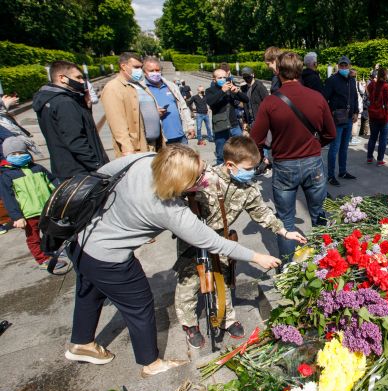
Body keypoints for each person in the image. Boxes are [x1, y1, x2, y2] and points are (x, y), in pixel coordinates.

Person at [66, 145, 280, 376]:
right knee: (140, 305)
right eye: (198, 176)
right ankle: (151, 363)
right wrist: (256, 256)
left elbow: (103, 174)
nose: (205, 175)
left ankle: (82, 343)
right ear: (182, 184)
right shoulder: (169, 210)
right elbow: (214, 242)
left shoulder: (145, 160)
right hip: (109, 257)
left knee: (90, 289)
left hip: (81, 238)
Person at [174, 138, 307, 347]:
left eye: (254, 168)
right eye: (248, 168)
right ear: (230, 165)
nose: (252, 172)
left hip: (222, 238)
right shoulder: (204, 178)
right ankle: (189, 324)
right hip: (194, 236)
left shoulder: (248, 189)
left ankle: (227, 318)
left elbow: (262, 213)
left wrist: (284, 231)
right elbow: (175, 193)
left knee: (225, 277)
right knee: (189, 280)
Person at [250, 52, 336, 260]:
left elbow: (256, 139)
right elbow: (330, 133)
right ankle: (326, 260)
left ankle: (289, 265)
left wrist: (261, 158)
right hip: (313, 163)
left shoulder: (271, 102)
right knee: (319, 213)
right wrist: (316, 145)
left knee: (286, 220)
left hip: (284, 164)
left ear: (278, 71)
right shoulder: (317, 98)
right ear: (300, 70)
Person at [0, 137, 69, 271]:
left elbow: (53, 182)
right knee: (33, 238)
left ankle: (54, 249)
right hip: (28, 214)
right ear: (7, 155)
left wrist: (61, 195)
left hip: (46, 209)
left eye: (21, 152)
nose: (19, 156)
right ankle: (42, 259)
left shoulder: (37, 168)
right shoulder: (7, 175)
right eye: (14, 154)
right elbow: (9, 199)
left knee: (52, 232)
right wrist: (17, 217)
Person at [32, 61, 109, 180]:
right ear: (62, 78)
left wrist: (86, 107)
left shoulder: (49, 99)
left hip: (65, 169)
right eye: (78, 77)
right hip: (81, 171)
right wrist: (97, 165)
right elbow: (76, 140)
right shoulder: (65, 103)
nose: (82, 82)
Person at [102, 52, 164, 157]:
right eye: (136, 67)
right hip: (137, 148)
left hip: (154, 145)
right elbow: (117, 122)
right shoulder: (113, 88)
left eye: (141, 67)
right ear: (123, 66)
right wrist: (127, 148)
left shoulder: (139, 85)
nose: (139, 70)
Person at [323, 56, 359, 186]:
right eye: (341, 66)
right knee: (334, 148)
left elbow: (354, 97)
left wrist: (356, 112)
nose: (344, 68)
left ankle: (342, 171)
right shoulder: (332, 80)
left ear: (349, 66)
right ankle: (331, 175)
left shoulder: (352, 80)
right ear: (338, 66)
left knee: (344, 147)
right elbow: (323, 99)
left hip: (349, 117)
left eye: (346, 66)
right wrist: (330, 113)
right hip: (337, 119)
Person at [143, 57, 195, 145]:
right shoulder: (142, 89)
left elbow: (183, 106)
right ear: (144, 72)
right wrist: (154, 114)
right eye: (151, 71)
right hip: (160, 139)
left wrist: (190, 126)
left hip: (180, 136)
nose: (155, 73)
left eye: (157, 70)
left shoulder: (171, 86)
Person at [205, 69, 249, 164]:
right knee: (221, 153)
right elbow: (210, 102)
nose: (222, 79)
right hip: (220, 126)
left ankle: (237, 171)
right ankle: (221, 173)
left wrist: (237, 92)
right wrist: (222, 91)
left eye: (224, 77)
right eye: (219, 77)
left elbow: (246, 99)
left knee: (239, 150)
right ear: (214, 80)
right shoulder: (210, 90)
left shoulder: (230, 88)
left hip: (234, 125)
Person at [366, 67, 388, 166]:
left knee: (373, 137)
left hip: (373, 114)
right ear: (386, 75)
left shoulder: (372, 85)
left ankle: (369, 158)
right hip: (385, 116)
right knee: (383, 139)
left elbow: (368, 92)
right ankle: (380, 160)